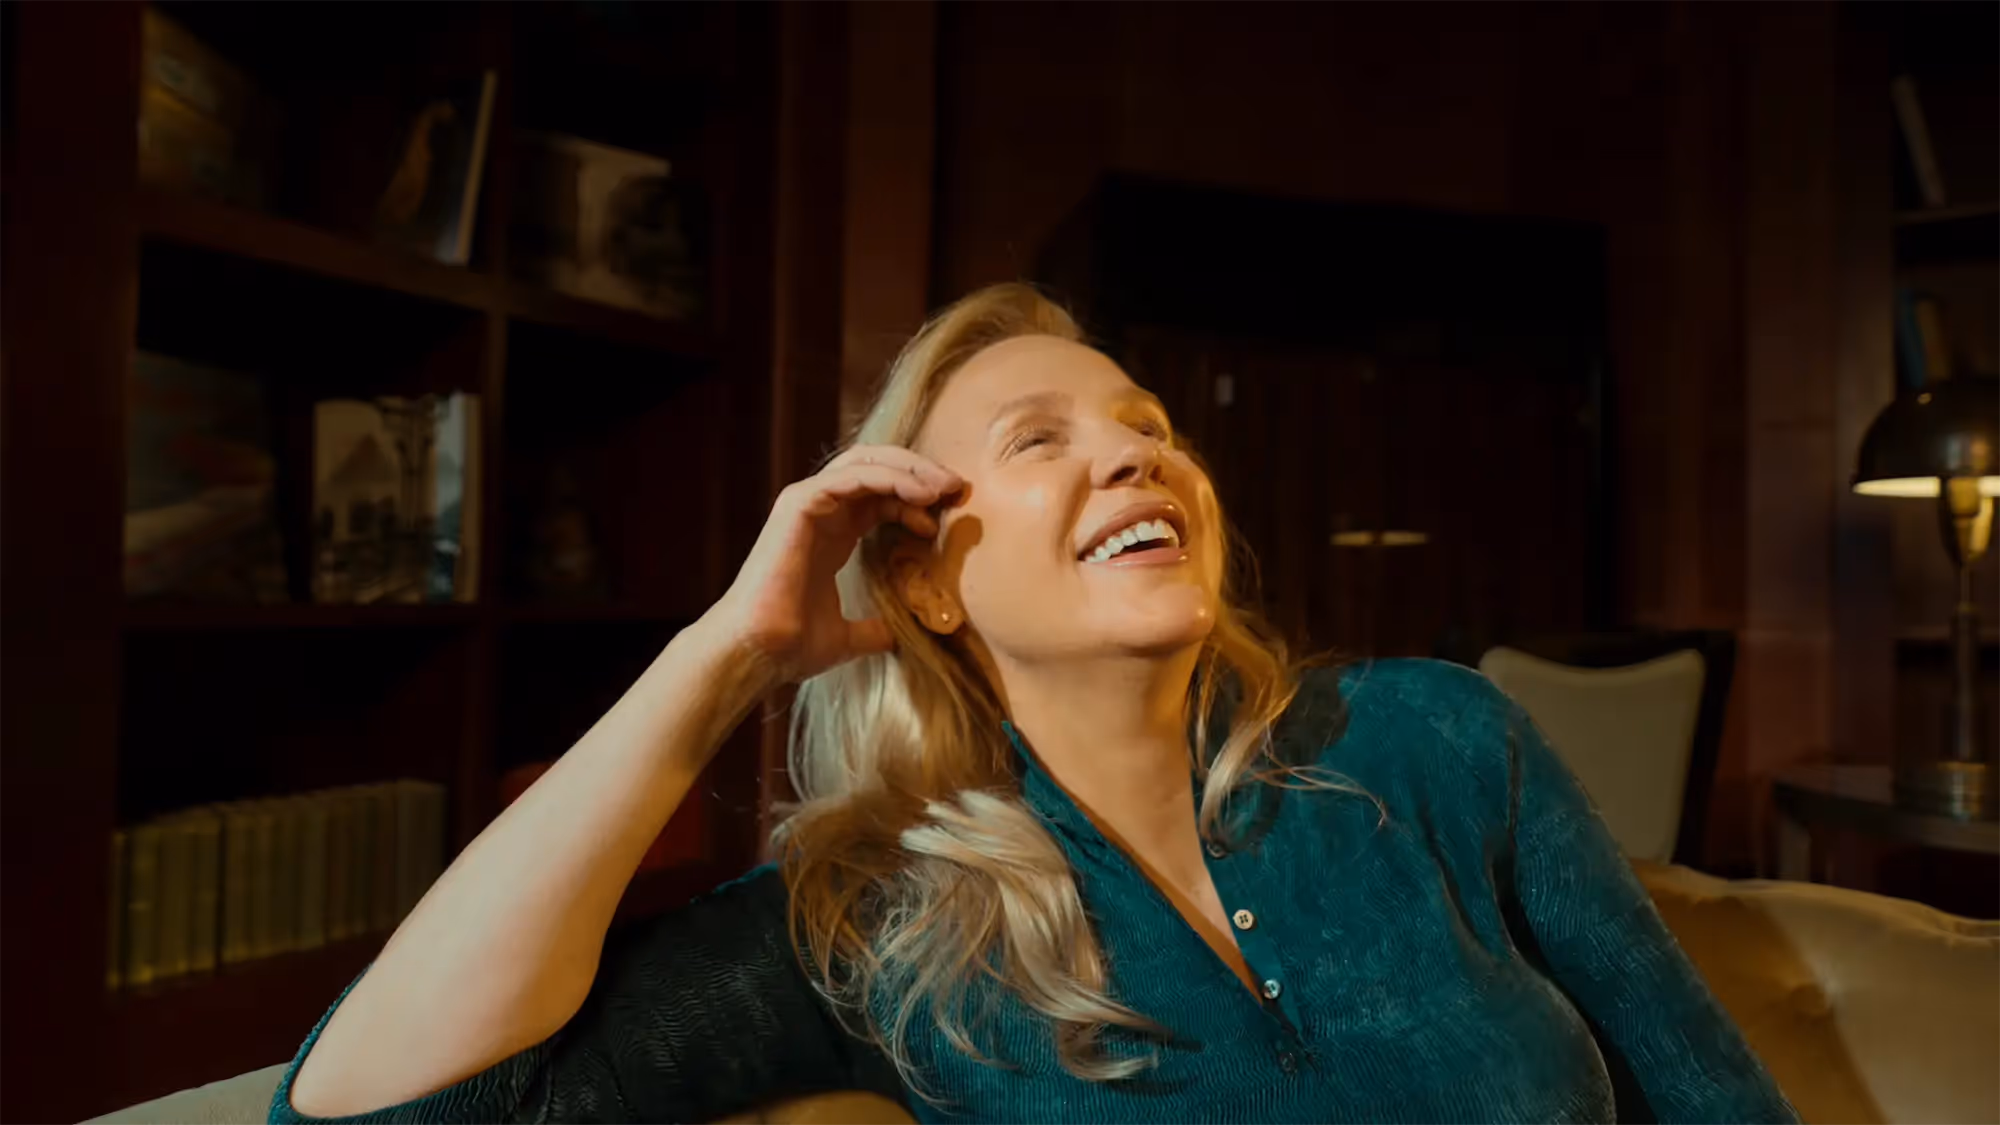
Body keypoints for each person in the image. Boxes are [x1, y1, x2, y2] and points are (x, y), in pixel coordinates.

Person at [274, 284, 1799, 1124]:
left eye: (1147, 426)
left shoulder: (1441, 738)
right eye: (1038, 438)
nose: (1136, 453)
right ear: (926, 584)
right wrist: (724, 656)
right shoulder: (878, 926)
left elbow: (1716, 1100)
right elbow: (371, 1114)